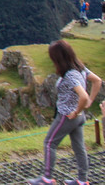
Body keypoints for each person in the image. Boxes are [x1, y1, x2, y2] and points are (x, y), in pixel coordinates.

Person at [28, 40, 102, 185]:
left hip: (67, 116)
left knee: (49, 143)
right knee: (79, 147)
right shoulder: (81, 69)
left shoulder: (70, 75)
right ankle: (82, 181)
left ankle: (47, 179)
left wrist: (77, 110)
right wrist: (89, 102)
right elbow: (97, 81)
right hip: (79, 117)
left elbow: (83, 96)